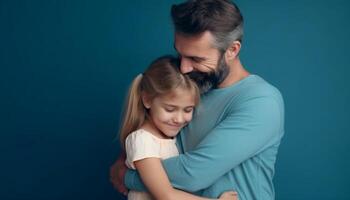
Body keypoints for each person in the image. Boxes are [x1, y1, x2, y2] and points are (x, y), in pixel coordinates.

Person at [110, 0, 284, 199]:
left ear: (232, 50)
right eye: (180, 54)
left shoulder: (261, 102)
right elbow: (151, 134)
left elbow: (192, 174)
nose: (184, 68)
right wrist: (127, 156)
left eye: (196, 59)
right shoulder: (192, 85)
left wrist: (127, 175)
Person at [118, 55, 238, 200]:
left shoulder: (170, 138)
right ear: (147, 99)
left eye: (187, 110)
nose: (179, 119)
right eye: (170, 109)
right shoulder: (142, 141)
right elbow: (166, 195)